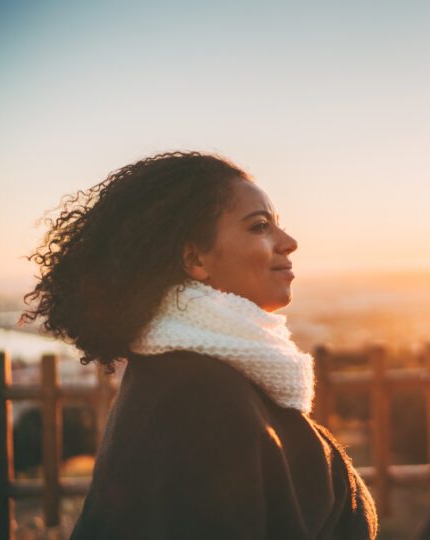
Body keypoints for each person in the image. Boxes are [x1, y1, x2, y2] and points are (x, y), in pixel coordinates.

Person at [22, 151, 378, 539]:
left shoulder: (198, 373)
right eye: (260, 227)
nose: (288, 242)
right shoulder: (196, 397)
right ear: (195, 258)